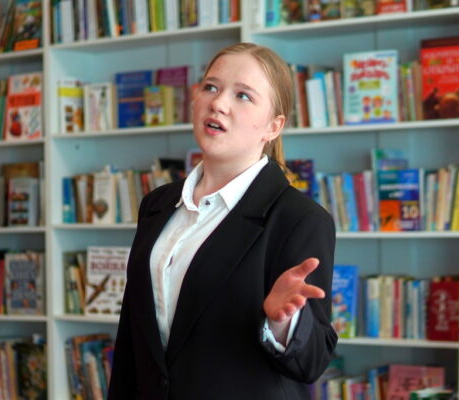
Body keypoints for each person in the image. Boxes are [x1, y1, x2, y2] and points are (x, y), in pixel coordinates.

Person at [107, 43, 337, 400]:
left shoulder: (299, 219)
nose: (218, 103)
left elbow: (313, 361)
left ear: (273, 126)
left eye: (243, 95)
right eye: (211, 87)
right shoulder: (157, 205)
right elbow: (133, 337)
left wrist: (282, 323)